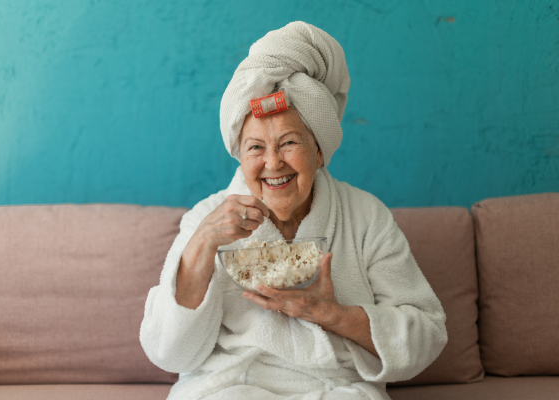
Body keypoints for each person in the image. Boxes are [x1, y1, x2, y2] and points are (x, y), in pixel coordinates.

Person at [140, 21, 447, 400]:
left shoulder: (365, 216)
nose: (273, 163)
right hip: (233, 386)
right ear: (240, 156)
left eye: (288, 143)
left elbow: (427, 334)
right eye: (255, 148)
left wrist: (331, 314)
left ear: (319, 151)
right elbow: (168, 352)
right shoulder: (206, 218)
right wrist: (203, 244)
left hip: (334, 388)